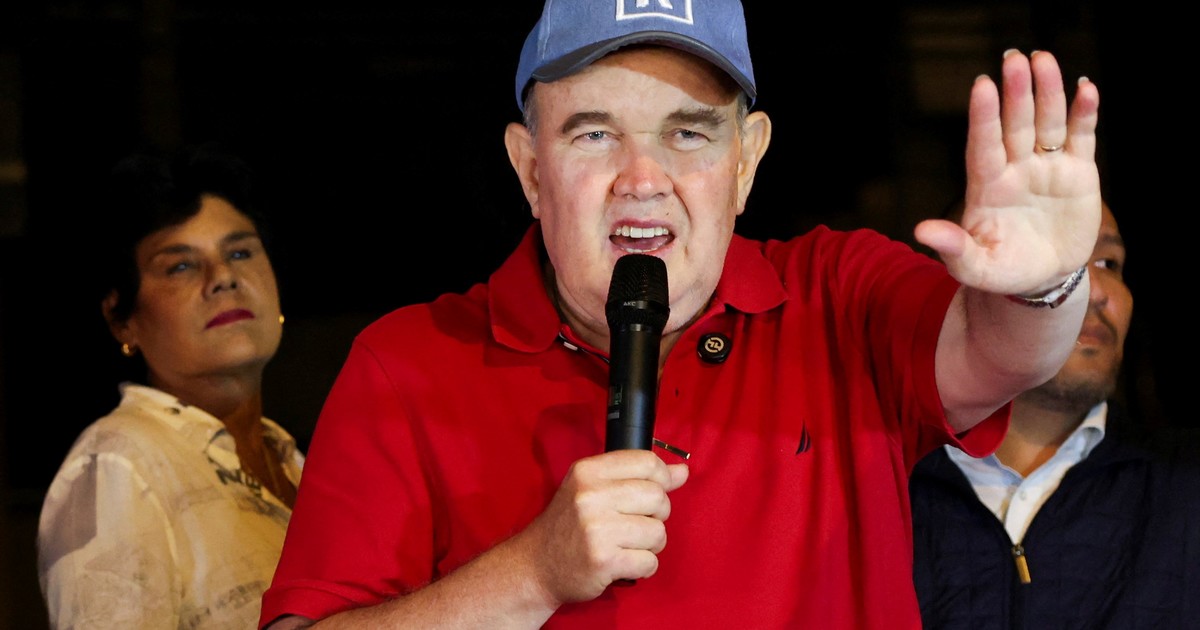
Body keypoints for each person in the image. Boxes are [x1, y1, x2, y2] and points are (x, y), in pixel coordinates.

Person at [260, 1, 1102, 627]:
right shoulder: (405, 363)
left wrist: (1040, 287)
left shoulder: (837, 297)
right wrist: (533, 572)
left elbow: (999, 353)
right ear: (530, 170)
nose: (642, 178)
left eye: (688, 134)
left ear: (746, 161)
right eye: (594, 135)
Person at [37, 143, 305, 629]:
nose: (223, 277)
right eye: (181, 265)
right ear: (122, 321)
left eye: (240, 252)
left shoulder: (296, 463)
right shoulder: (119, 465)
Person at [910, 201, 1200, 627]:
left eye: (1109, 263)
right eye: (1049, 258)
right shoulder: (869, 490)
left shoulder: (1185, 485)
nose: (1094, 291)